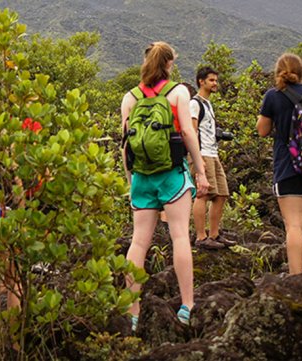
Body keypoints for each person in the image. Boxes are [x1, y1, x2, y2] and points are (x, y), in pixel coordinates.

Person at [121, 42, 209, 331]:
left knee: (138, 242)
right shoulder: (178, 92)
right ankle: (187, 305)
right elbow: (186, 131)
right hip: (171, 174)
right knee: (180, 236)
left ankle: (132, 312)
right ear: (169, 64)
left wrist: (130, 180)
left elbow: (125, 144)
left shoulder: (130, 98)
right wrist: (200, 169)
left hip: (142, 178)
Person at [256, 53, 302, 275]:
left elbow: (262, 131)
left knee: (295, 225)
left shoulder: (273, 96)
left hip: (288, 165)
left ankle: (295, 278)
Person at [190, 67, 235, 250]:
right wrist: (197, 157)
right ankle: (201, 237)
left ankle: (214, 234)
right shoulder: (194, 104)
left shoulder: (208, 104)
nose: (215, 83)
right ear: (201, 81)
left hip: (213, 153)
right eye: (211, 80)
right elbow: (192, 131)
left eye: (216, 80)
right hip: (202, 153)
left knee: (222, 193)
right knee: (203, 194)